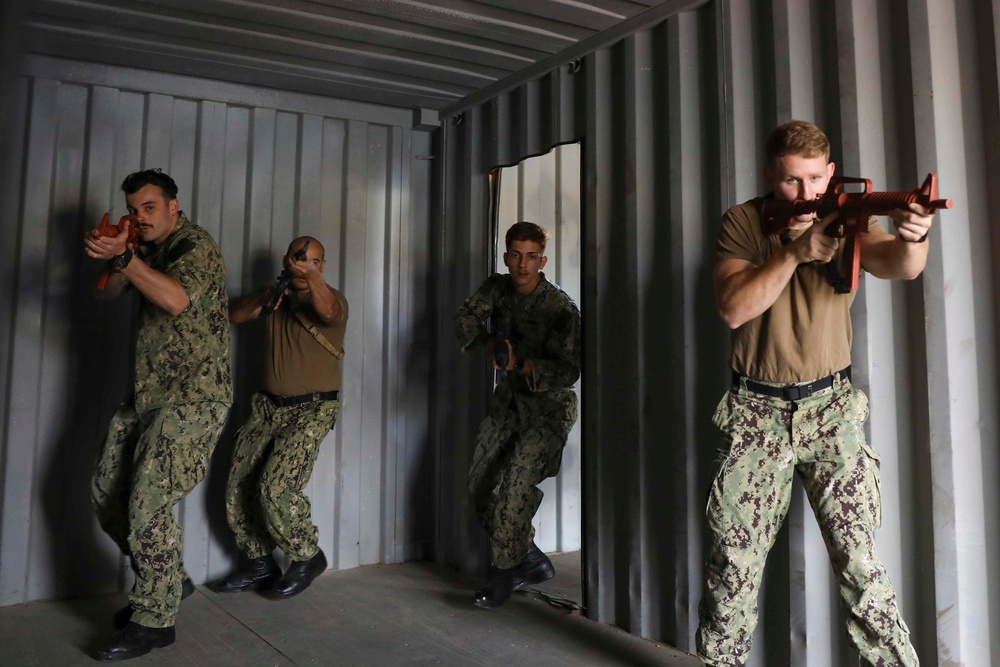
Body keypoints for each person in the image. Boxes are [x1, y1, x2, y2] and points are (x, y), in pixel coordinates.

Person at [696, 120, 937, 665]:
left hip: (831, 411)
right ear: (769, 178)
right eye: (789, 182)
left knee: (862, 567)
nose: (804, 194)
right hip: (756, 411)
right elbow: (733, 307)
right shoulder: (744, 222)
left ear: (830, 174)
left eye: (812, 180)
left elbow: (898, 265)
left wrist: (915, 234)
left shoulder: (845, 218)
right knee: (733, 569)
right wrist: (795, 252)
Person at [85, 169, 232, 661]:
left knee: (147, 502)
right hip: (149, 393)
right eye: (134, 207)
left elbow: (175, 299)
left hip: (194, 395)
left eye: (149, 207)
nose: (140, 216)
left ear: (173, 206)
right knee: (109, 491)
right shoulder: (142, 246)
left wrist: (127, 257)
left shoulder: (196, 246)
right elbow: (105, 294)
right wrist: (113, 250)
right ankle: (168, 578)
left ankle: (155, 620)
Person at [210, 237, 347, 599]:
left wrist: (312, 277)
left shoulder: (330, 297)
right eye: (300, 259)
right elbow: (231, 315)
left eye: (314, 261)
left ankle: (307, 556)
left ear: (323, 265)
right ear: (287, 260)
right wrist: (265, 297)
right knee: (237, 485)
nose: (306, 265)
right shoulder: (275, 295)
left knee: (276, 487)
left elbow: (329, 313)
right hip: (268, 408)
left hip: (313, 409)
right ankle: (259, 563)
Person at [454, 221, 581, 609]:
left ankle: (503, 573)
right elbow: (464, 318)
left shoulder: (560, 309)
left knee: (512, 489)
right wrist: (491, 342)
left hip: (548, 409)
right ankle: (528, 558)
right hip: (508, 402)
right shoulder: (498, 288)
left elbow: (570, 371)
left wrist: (522, 364)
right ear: (506, 257)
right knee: (479, 486)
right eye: (515, 255)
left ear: (542, 260)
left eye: (530, 257)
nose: (522, 265)